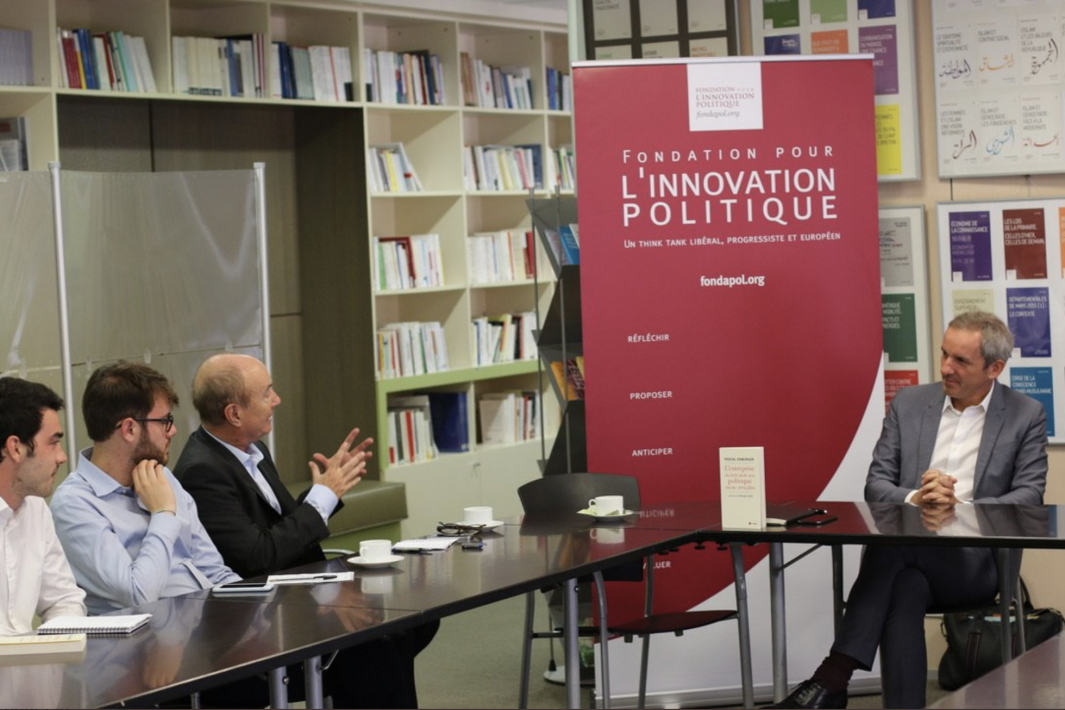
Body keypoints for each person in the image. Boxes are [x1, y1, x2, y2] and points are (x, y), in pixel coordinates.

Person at [771, 311, 1048, 710]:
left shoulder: (1025, 414)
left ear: (995, 368)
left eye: (961, 360)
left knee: (893, 546)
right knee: (903, 584)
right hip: (910, 555)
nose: (945, 367)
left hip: (975, 562)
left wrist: (959, 505)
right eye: (944, 354)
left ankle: (831, 678)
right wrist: (918, 499)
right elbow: (877, 483)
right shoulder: (910, 402)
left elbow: (1029, 497)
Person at [175, 353, 437, 709]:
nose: (277, 400)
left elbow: (282, 526)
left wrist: (327, 492)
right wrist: (322, 498)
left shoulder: (251, 450)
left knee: (413, 621)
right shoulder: (202, 472)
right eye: (267, 393)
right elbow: (258, 556)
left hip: (301, 595)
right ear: (234, 414)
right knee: (376, 645)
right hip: (261, 620)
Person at [51, 361, 241, 615]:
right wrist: (163, 513)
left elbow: (214, 570)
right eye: (165, 421)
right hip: (150, 635)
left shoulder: (161, 477)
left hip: (209, 622)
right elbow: (138, 595)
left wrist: (254, 610)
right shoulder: (75, 504)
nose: (173, 431)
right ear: (129, 429)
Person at [0, 378, 86, 635]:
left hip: (30, 658)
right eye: (53, 442)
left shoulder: (36, 508)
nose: (62, 457)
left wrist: (56, 642)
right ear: (16, 448)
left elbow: (63, 599)